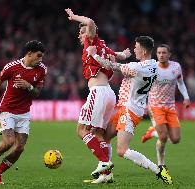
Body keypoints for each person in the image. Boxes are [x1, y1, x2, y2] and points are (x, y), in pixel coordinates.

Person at [86, 36, 173, 184]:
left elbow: (112, 66)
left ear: (144, 51)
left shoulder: (137, 67)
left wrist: (93, 54)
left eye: (136, 47)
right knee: (103, 136)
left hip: (130, 111)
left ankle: (159, 170)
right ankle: (106, 174)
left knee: (122, 150)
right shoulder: (155, 66)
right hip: (129, 108)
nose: (134, 49)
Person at [64, 8, 131, 182]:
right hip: (108, 93)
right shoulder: (104, 47)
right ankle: (107, 175)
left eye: (82, 32)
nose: (80, 36)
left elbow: (91, 22)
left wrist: (74, 17)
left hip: (98, 91)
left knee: (82, 130)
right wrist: (124, 54)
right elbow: (120, 55)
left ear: (88, 33)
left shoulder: (90, 41)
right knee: (99, 133)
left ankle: (104, 162)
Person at [0, 40, 47, 185]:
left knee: (19, 148)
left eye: (42, 56)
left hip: (24, 113)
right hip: (7, 110)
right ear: (29, 54)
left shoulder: (42, 69)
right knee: (9, 142)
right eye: (38, 56)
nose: (40, 59)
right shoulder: (12, 67)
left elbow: (37, 93)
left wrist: (29, 87)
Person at [141, 44, 191, 168]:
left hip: (170, 107)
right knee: (163, 137)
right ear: (156, 54)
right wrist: (143, 103)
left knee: (175, 139)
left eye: (164, 53)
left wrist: (186, 97)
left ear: (169, 54)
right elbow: (144, 87)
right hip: (155, 106)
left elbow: (180, 83)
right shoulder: (152, 68)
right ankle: (161, 164)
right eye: (159, 53)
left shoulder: (176, 67)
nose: (161, 55)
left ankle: (153, 132)